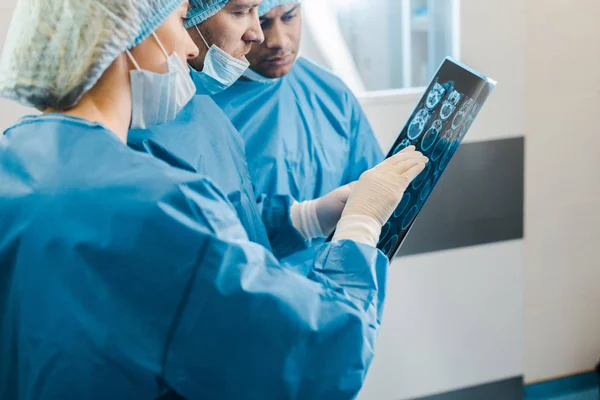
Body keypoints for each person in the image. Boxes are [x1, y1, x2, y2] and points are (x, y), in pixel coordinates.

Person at [0, 0, 428, 399]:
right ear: (124, 37)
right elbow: (323, 354)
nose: (187, 43)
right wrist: (361, 224)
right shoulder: (153, 203)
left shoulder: (17, 159)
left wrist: (306, 217)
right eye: (178, 18)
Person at [128, 0, 350, 261]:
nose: (259, 35)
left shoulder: (203, 110)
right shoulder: (134, 141)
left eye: (289, 16)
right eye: (242, 12)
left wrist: (307, 219)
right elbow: (220, 279)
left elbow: (237, 223)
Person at [212, 0, 384, 263]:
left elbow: (376, 195)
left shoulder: (332, 94)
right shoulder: (203, 109)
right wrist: (307, 219)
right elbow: (204, 233)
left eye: (289, 16)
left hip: (336, 291)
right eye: (263, 22)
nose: (278, 40)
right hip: (250, 294)